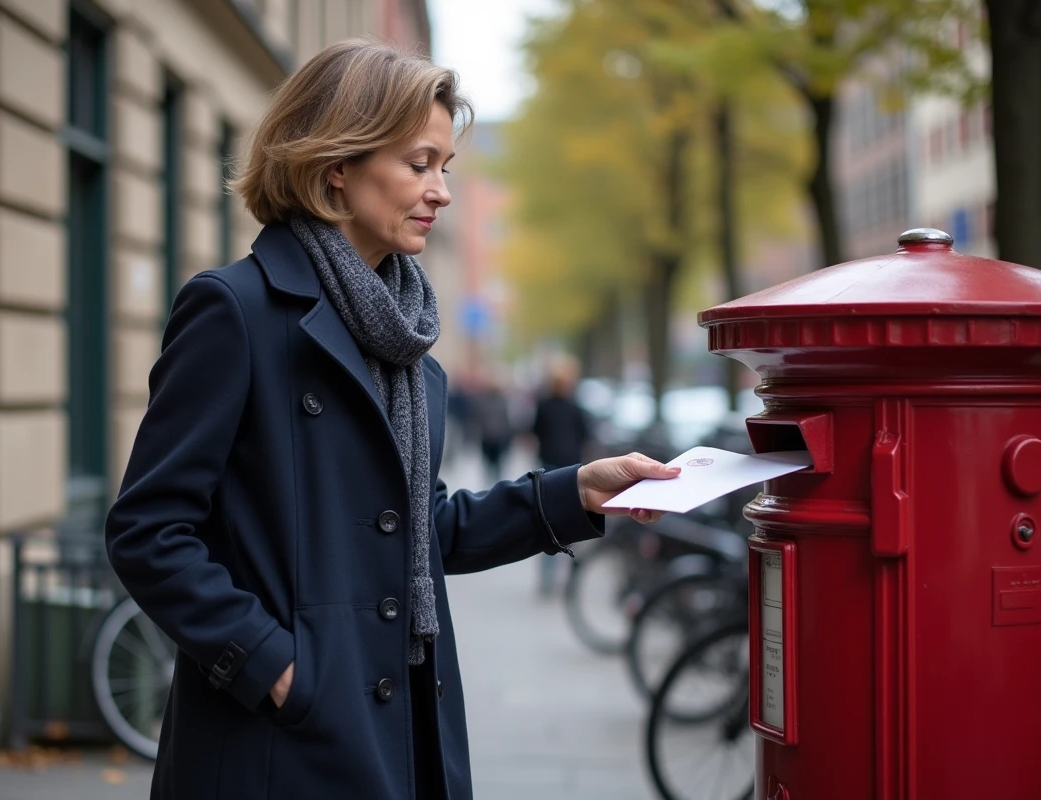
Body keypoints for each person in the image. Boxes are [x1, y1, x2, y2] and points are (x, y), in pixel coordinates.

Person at [104, 39, 677, 800]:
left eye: (445, 167)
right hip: (275, 749)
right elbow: (148, 529)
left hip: (401, 725)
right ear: (336, 164)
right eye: (419, 164)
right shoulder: (236, 312)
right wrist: (274, 666)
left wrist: (573, 495)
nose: (440, 191)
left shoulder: (407, 346)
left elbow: (413, 531)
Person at [531, 356, 591, 596]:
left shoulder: (544, 406)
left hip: (549, 467)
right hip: (573, 469)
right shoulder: (576, 408)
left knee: (548, 522)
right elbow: (586, 435)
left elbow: (535, 431)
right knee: (573, 522)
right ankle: (571, 577)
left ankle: (548, 578)